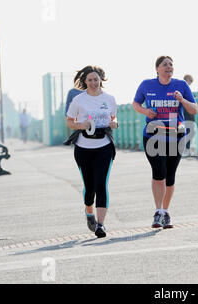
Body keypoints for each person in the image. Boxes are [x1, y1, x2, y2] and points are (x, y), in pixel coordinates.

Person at [133, 56, 198, 229]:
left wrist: (182, 100)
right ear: (157, 69)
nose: (168, 67)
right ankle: (158, 211)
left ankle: (166, 211)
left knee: (170, 175)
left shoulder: (181, 86)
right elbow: (135, 103)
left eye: (171, 64)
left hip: (176, 136)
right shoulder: (147, 85)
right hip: (153, 136)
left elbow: (195, 109)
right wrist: (146, 111)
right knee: (158, 172)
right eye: (164, 65)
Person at [64, 65, 118, 238]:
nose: (93, 83)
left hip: (104, 146)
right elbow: (69, 121)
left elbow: (113, 116)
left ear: (101, 80)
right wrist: (80, 125)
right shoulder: (79, 100)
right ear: (85, 82)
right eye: (90, 80)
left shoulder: (109, 98)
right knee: (90, 187)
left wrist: (114, 122)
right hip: (83, 147)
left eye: (96, 79)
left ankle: (100, 225)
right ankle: (89, 213)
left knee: (101, 184)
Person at [183, 74, 196, 156]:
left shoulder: (188, 91)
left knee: (190, 132)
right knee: (188, 132)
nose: (190, 83)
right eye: (190, 81)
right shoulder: (183, 90)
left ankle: (186, 149)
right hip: (185, 114)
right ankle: (185, 149)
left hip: (190, 114)